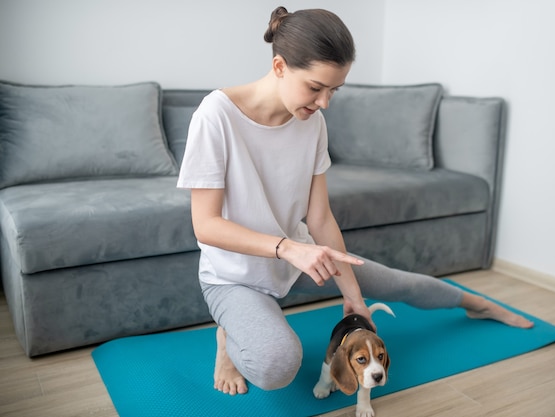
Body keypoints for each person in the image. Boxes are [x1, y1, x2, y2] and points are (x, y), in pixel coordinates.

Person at [177, 6, 533, 396]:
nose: (325, 102)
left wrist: (354, 298)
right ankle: (227, 341)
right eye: (315, 87)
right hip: (234, 276)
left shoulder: (311, 122)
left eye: (334, 90)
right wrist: (287, 248)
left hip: (298, 259)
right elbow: (206, 225)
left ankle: (476, 304)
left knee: (398, 283)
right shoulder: (216, 116)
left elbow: (320, 218)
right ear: (279, 66)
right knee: (276, 365)